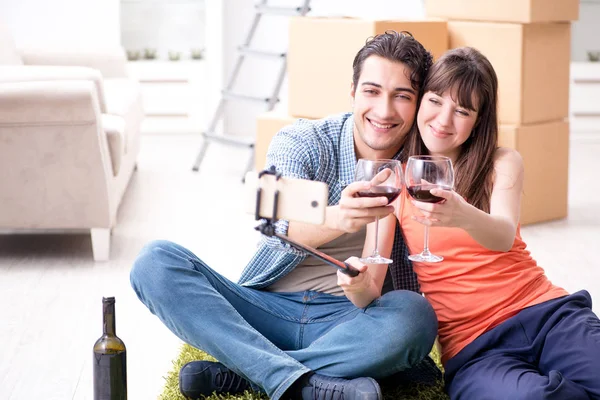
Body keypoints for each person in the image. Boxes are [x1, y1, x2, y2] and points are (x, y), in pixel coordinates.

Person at [129, 31, 439, 400]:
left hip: (351, 321)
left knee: (414, 316)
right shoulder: (304, 142)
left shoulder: (420, 167)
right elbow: (277, 227)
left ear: (419, 103)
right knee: (155, 262)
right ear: (353, 92)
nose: (385, 111)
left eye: (402, 96)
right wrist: (342, 217)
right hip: (265, 310)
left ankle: (250, 374)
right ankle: (306, 383)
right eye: (371, 91)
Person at [385, 46, 600, 399]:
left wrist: (461, 213)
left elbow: (503, 234)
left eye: (462, 110)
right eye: (436, 100)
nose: (443, 119)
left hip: (546, 314)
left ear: (478, 121)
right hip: (476, 348)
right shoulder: (398, 178)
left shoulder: (502, 162)